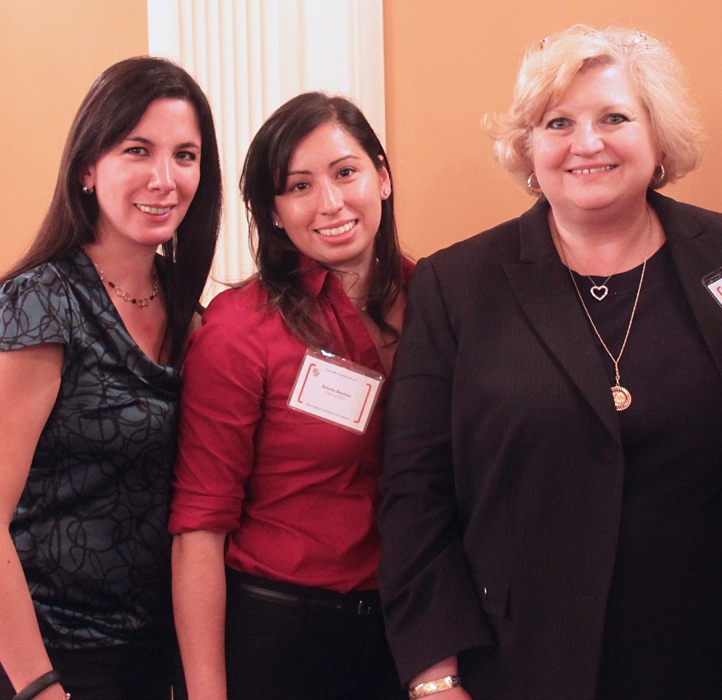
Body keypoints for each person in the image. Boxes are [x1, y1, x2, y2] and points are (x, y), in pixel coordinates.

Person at [377, 25, 722, 700]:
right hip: (517, 662)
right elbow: (415, 493)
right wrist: (432, 672)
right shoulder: (456, 285)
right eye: (557, 122)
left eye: (614, 117)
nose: (587, 142)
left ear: (657, 138)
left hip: (715, 656)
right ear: (528, 150)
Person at [0, 56, 222, 700]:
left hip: (152, 656)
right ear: (87, 168)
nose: (165, 178)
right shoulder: (36, 304)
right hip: (39, 656)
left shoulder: (191, 313)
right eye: (137, 150)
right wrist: (42, 688)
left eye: (185, 155)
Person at [168, 92, 411, 700]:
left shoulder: (443, 301)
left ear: (382, 177)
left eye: (346, 172)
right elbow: (200, 525)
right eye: (298, 187)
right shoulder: (239, 330)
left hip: (411, 629)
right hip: (282, 637)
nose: (329, 203)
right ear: (273, 213)